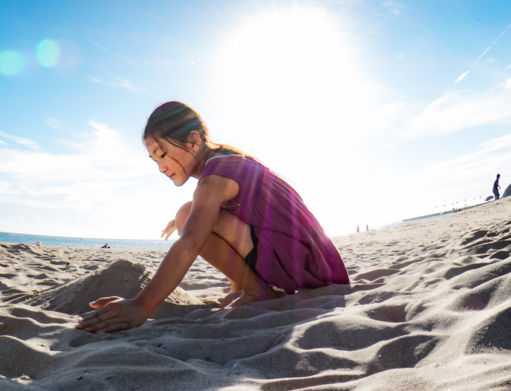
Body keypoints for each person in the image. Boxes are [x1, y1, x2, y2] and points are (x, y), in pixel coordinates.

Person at [77, 101, 349, 334]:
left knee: (187, 216)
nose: (161, 168)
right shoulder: (226, 159)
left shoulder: (215, 176)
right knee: (189, 214)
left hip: (309, 267)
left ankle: (259, 292)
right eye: (154, 160)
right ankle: (244, 288)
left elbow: (191, 243)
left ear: (194, 140)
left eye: (162, 155)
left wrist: (142, 304)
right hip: (317, 261)